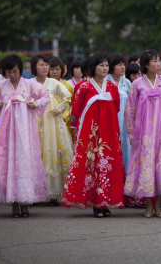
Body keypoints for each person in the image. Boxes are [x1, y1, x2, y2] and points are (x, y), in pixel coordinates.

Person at [61, 53, 125, 217]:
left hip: (109, 131)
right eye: (101, 65)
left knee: (107, 164)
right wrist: (75, 128)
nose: (105, 69)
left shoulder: (112, 86)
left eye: (106, 66)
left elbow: (116, 107)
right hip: (89, 132)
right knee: (90, 164)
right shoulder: (83, 87)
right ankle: (94, 202)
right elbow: (76, 109)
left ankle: (104, 202)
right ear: (93, 67)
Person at [0, 55, 50, 217]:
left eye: (15, 71)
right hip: (7, 129)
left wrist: (34, 104)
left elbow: (46, 96)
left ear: (20, 70)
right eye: (9, 72)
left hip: (26, 130)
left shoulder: (30, 84)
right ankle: (14, 204)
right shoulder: (1, 86)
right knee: (9, 161)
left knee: (25, 159)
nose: (12, 75)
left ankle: (25, 202)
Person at [124, 50, 161, 218]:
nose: (159, 64)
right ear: (146, 65)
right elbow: (129, 111)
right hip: (145, 135)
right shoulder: (137, 84)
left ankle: (158, 204)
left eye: (160, 62)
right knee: (146, 168)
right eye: (155, 61)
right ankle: (148, 205)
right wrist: (133, 135)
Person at [31, 55, 73, 205]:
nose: (45, 67)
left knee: (53, 150)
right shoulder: (29, 83)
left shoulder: (54, 83)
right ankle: (35, 193)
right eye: (41, 65)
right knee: (36, 151)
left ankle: (54, 194)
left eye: (46, 65)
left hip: (52, 121)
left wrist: (59, 109)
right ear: (34, 67)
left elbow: (68, 97)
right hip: (34, 121)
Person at [106, 54, 132, 170]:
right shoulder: (105, 81)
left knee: (125, 148)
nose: (123, 67)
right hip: (109, 119)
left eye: (124, 65)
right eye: (119, 65)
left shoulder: (127, 83)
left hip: (125, 121)